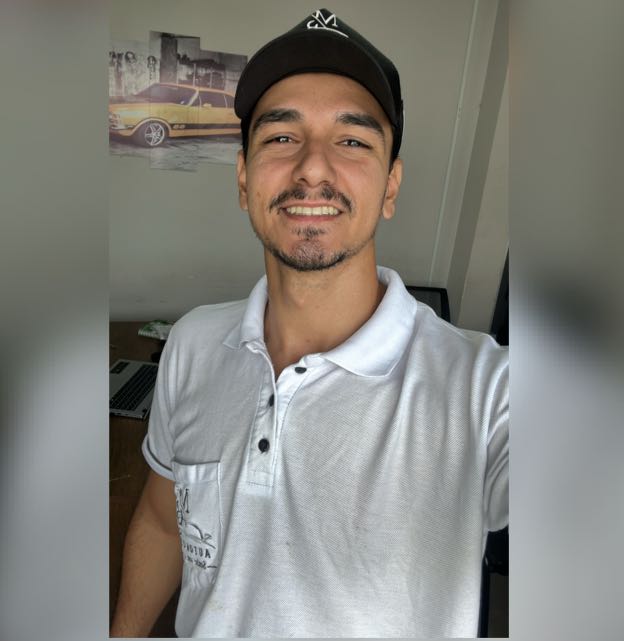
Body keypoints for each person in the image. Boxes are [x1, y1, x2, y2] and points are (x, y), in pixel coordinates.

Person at [110, 8, 508, 638]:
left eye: (352, 141)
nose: (313, 168)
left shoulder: (486, 389)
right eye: (280, 137)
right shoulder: (191, 343)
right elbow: (164, 523)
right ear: (244, 179)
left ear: (391, 186)